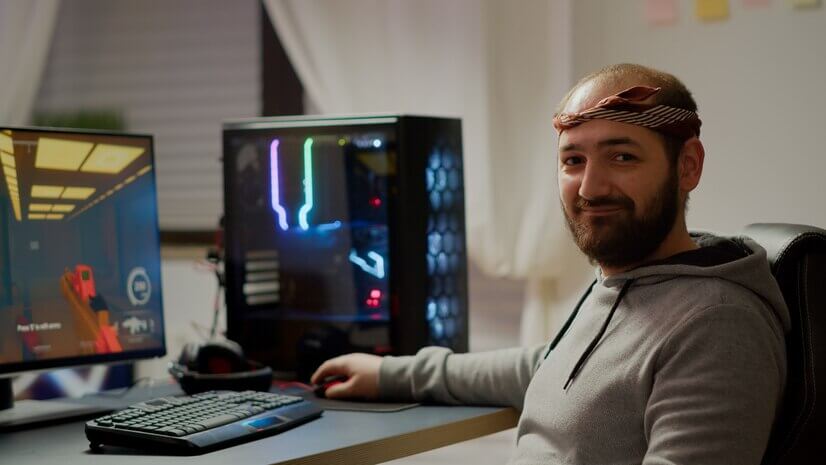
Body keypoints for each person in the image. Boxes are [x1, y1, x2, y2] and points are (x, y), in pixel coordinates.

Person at [311, 63, 789, 464]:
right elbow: (549, 366)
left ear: (688, 166)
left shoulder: (717, 325)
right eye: (573, 160)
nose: (590, 188)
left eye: (622, 156)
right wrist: (392, 375)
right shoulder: (629, 282)